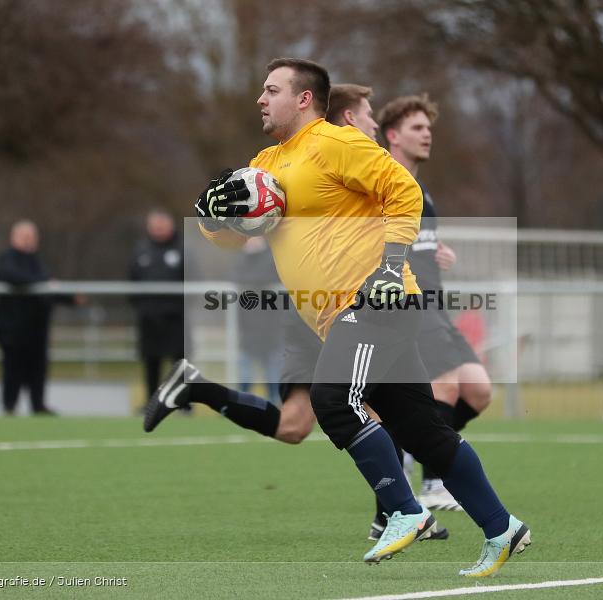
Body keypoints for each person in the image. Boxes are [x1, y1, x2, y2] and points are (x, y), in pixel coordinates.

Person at [146, 58, 530, 577]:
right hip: (338, 317)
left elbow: (405, 192)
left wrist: (393, 266)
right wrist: (214, 218)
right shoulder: (264, 163)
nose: (260, 98)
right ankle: (502, 528)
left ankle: (403, 511)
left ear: (304, 99)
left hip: (376, 302)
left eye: (271, 89)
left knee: (332, 399)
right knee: (424, 432)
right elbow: (239, 236)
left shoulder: (336, 142)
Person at [378, 94, 495, 511]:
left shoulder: (420, 190)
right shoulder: (381, 181)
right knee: (443, 383)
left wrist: (436, 250)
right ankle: (433, 480)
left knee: (479, 391)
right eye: (416, 128)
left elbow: (415, 239)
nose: (427, 134)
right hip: (409, 304)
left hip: (436, 305)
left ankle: (415, 446)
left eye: (429, 128)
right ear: (392, 135)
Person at [0, 220, 78, 415]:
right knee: (12, 368)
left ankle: (38, 405)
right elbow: (16, 278)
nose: (28, 241)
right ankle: (9, 406)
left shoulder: (37, 261)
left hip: (37, 329)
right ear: (14, 238)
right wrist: (43, 282)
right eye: (24, 236)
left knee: (37, 369)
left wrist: (71, 298)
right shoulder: (7, 259)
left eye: (31, 237)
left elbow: (49, 288)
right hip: (12, 328)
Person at [129, 210, 187, 408]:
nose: (159, 229)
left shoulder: (183, 249)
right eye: (155, 225)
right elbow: (132, 281)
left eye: (162, 224)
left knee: (179, 362)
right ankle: (152, 402)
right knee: (151, 361)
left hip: (176, 318)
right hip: (149, 318)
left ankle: (182, 402)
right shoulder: (141, 250)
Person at [233, 236, 282, 403]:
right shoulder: (241, 258)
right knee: (245, 371)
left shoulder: (274, 258)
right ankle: (242, 403)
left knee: (273, 371)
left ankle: (275, 404)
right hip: (248, 326)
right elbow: (236, 278)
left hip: (272, 325)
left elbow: (270, 277)